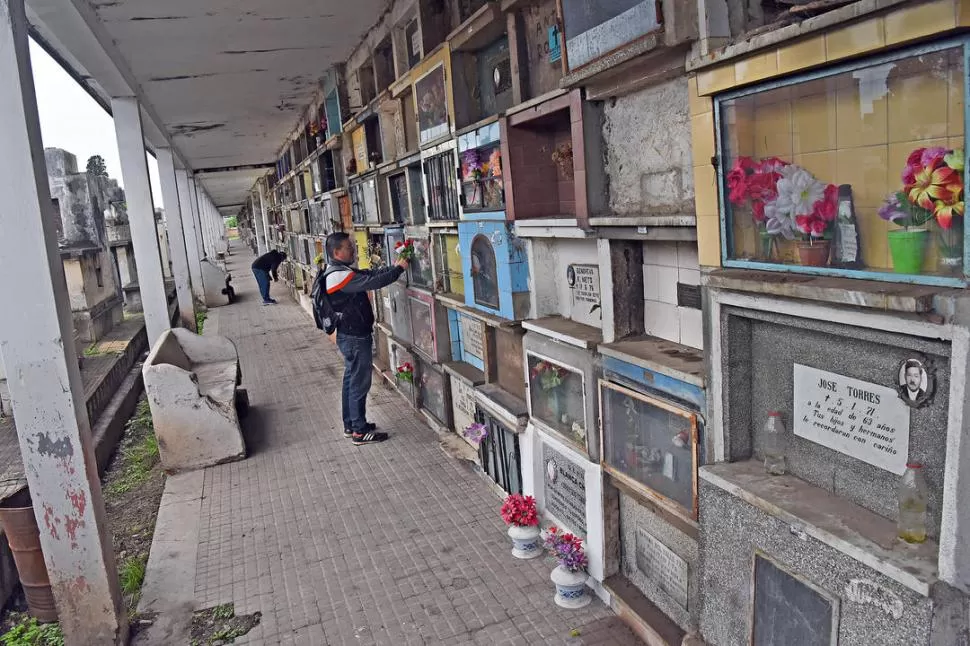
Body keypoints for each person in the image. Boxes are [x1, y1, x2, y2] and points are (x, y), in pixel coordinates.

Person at [325, 232, 408, 445]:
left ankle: (351, 424)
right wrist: (399, 269)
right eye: (348, 247)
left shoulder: (339, 270)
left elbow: (369, 274)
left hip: (350, 334)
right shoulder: (338, 276)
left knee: (351, 380)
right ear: (337, 252)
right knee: (359, 383)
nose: (352, 249)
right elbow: (374, 282)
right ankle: (359, 432)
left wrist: (393, 267)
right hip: (354, 336)